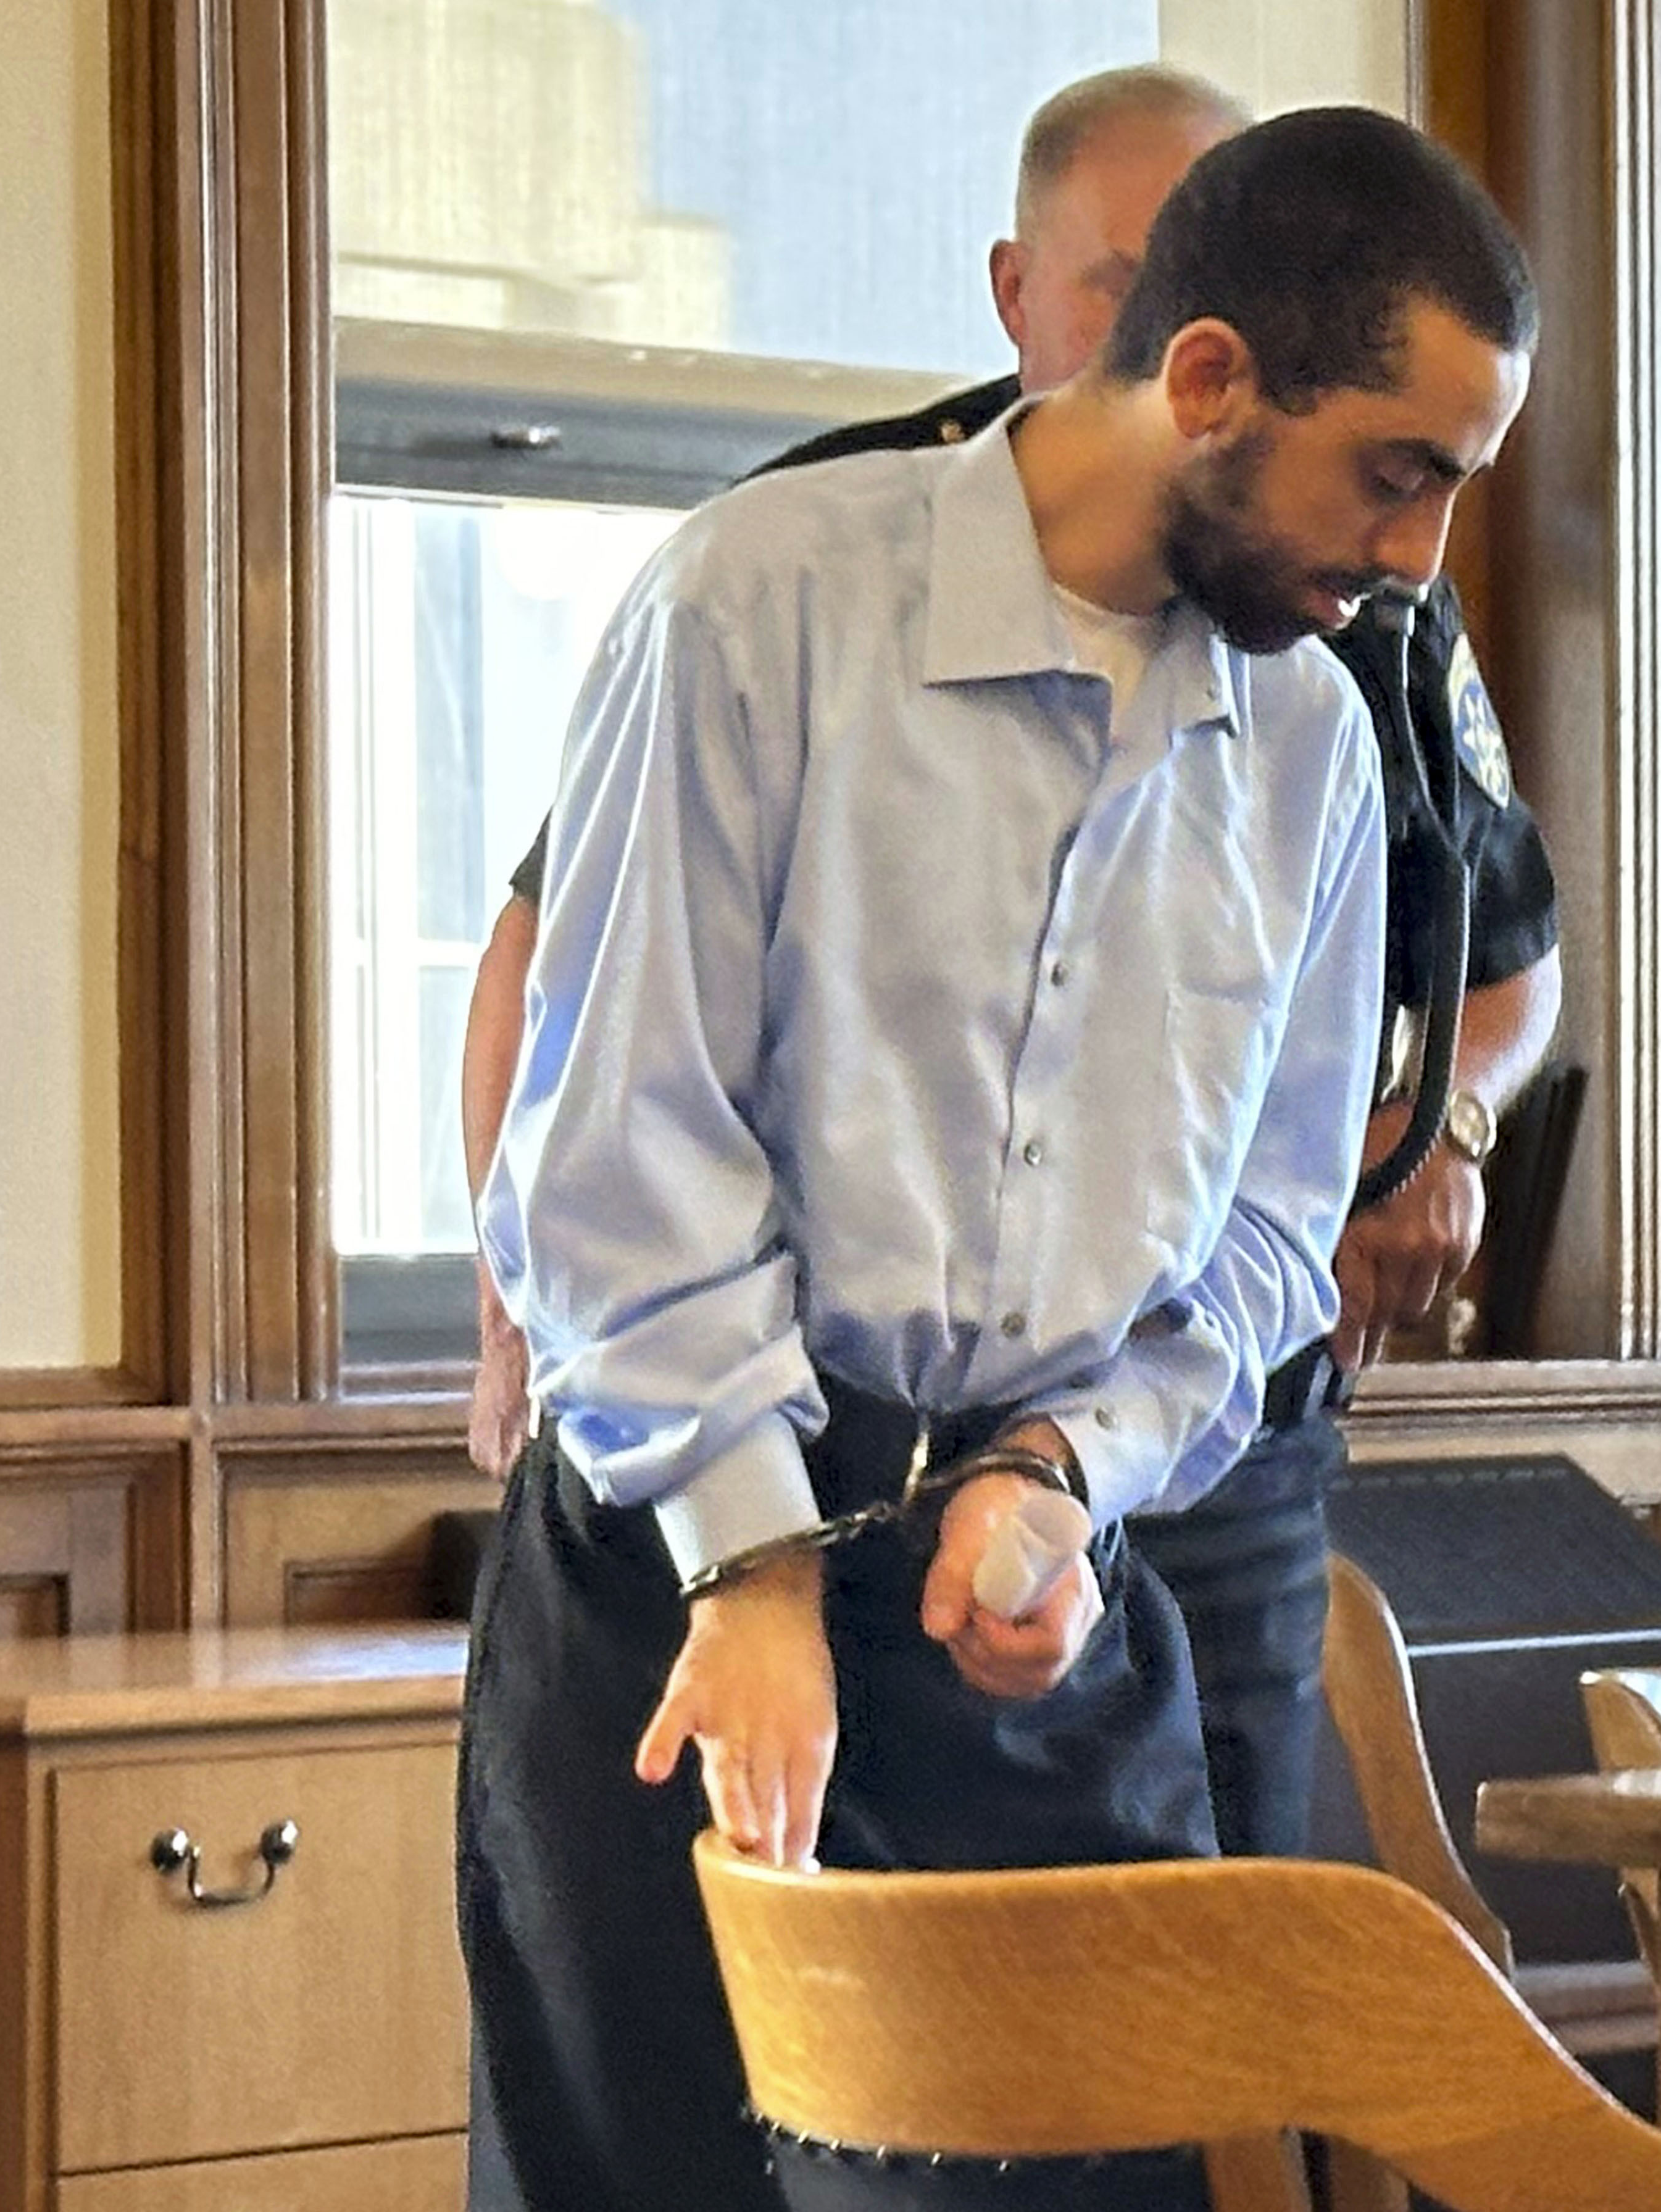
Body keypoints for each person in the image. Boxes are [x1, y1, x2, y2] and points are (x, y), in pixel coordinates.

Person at [461, 102, 1540, 2212]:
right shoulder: (760, 603)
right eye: (1396, 475)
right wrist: (756, 1558)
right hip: (675, 1605)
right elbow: (612, 1142)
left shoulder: (1320, 744)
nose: (1416, 557)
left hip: (1039, 1610)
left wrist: (1068, 1478)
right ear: (1209, 377)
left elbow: (1255, 1242)